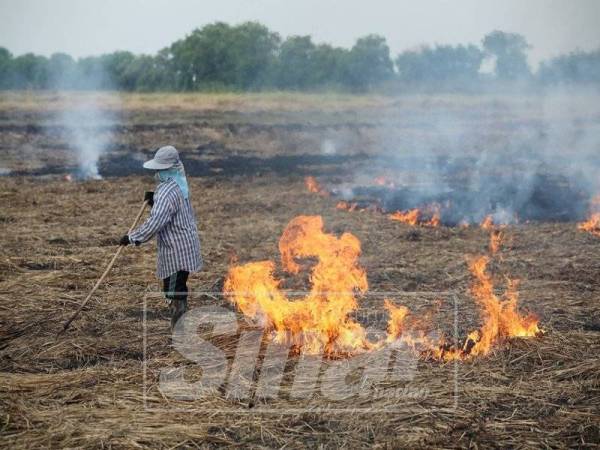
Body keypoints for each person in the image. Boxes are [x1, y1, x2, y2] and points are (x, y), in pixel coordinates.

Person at [120, 145, 202, 328]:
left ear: (168, 169)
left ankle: (180, 331)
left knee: (174, 290)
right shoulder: (179, 183)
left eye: (160, 169)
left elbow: (156, 222)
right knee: (176, 287)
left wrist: (132, 237)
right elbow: (170, 212)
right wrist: (154, 202)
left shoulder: (167, 190)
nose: (157, 172)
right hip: (184, 244)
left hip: (177, 250)